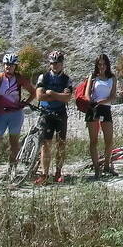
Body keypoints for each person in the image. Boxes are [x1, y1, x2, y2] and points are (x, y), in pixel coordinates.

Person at [0, 53, 36, 178]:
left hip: (15, 114)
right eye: (6, 64)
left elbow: (33, 92)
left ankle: (12, 170)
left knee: (14, 143)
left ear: (15, 66)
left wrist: (25, 103)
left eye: (11, 65)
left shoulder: (20, 79)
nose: (8, 67)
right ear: (3, 65)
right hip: (0, 114)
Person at [33, 50, 73, 184]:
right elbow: (39, 96)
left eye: (57, 63)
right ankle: (44, 174)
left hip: (61, 113)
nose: (55, 65)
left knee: (61, 143)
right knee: (46, 144)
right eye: (52, 63)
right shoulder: (43, 77)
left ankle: (58, 172)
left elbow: (67, 98)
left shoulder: (66, 79)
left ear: (62, 64)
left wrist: (51, 93)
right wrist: (58, 95)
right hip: (46, 113)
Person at [84, 53, 120, 177]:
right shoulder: (93, 76)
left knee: (109, 140)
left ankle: (106, 166)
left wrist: (103, 101)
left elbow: (113, 96)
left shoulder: (112, 78)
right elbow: (87, 94)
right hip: (94, 108)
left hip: (105, 108)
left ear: (107, 65)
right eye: (99, 64)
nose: (102, 67)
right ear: (96, 65)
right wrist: (92, 102)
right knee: (93, 140)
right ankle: (96, 169)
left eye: (104, 64)